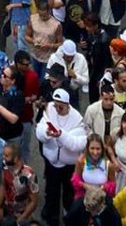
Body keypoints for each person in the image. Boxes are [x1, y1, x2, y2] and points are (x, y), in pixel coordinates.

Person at [35, 87, 87, 226]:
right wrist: (46, 132)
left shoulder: (76, 119)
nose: (57, 109)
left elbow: (78, 144)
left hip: (68, 164)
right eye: (56, 106)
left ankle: (69, 217)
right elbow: (39, 131)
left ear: (68, 106)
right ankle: (52, 219)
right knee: (52, 192)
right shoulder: (49, 110)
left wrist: (61, 135)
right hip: (52, 162)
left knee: (69, 193)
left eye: (61, 107)